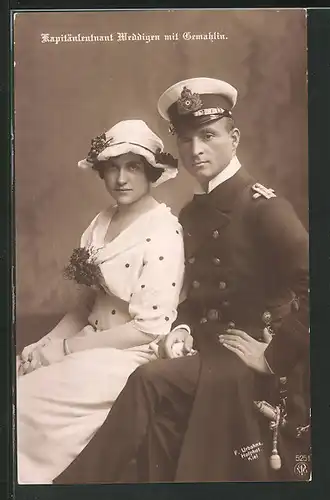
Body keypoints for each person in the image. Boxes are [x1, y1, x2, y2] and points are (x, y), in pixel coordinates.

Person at [54, 78, 310, 484]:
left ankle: (70, 487)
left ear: (235, 138)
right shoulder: (192, 214)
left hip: (249, 358)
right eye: (187, 140)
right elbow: (191, 292)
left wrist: (273, 355)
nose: (196, 150)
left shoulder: (266, 209)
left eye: (208, 136)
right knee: (159, 422)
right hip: (202, 350)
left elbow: (324, 289)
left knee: (147, 381)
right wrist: (185, 326)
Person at [16, 119, 185, 484]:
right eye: (112, 167)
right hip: (88, 344)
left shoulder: (163, 231)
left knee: (26, 402)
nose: (121, 178)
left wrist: (66, 349)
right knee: (18, 375)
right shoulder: (101, 222)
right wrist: (45, 344)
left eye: (133, 166)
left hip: (129, 356)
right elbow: (85, 303)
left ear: (152, 172)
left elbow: (146, 329)